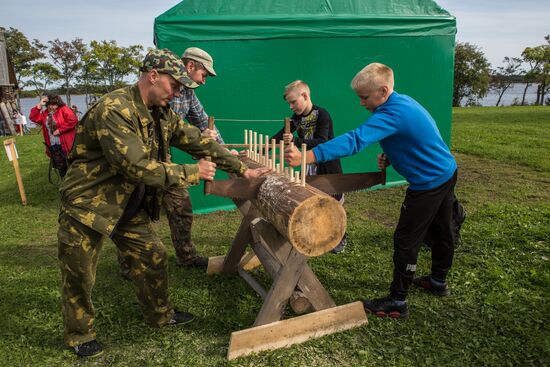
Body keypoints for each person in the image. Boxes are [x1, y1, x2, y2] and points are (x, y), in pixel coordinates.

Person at [57, 48, 269, 357]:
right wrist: (192, 172)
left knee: (153, 255)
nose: (179, 92)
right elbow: (135, 166)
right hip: (87, 205)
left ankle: (160, 315)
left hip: (126, 205)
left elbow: (198, 140)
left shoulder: (160, 112)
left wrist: (242, 168)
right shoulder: (115, 109)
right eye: (176, 85)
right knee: (79, 272)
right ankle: (79, 335)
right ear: (153, 76)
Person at [285, 63, 458, 318]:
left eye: (364, 97)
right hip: (447, 171)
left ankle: (398, 300)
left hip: (428, 183)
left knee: (406, 239)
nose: (361, 103)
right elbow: (419, 134)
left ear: (383, 91)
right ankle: (438, 281)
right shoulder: (403, 103)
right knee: (443, 229)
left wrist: (308, 156)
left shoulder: (390, 114)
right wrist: (392, 154)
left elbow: (356, 140)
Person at [120, 47, 232, 272]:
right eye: (204, 75)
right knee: (132, 211)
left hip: (166, 161)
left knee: (181, 206)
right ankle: (128, 264)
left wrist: (225, 151)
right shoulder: (150, 92)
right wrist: (199, 143)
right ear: (191, 67)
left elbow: (201, 123)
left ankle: (187, 256)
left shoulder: (188, 94)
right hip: (140, 160)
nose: (204, 81)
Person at [271, 80, 347, 253]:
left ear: (305, 96)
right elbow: (281, 135)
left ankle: (340, 237)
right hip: (309, 165)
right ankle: (319, 234)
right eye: (289, 103)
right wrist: (265, 146)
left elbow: (323, 142)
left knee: (334, 203)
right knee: (315, 200)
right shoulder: (297, 119)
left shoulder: (322, 114)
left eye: (293, 102)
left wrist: (296, 140)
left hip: (328, 167)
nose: (291, 106)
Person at [29, 95, 78, 177]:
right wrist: (39, 105)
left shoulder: (64, 109)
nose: (52, 107)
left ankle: (76, 185)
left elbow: (73, 120)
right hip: (53, 145)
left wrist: (60, 130)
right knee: (61, 168)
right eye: (49, 104)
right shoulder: (45, 114)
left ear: (58, 104)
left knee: (72, 167)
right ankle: (65, 186)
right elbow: (33, 117)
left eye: (54, 104)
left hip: (67, 145)